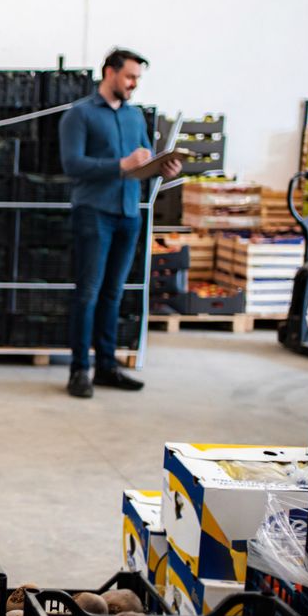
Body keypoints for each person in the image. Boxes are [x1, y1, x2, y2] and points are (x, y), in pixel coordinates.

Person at [60, 48, 180, 399]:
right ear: (109, 73)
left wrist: (163, 167)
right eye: (129, 77)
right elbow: (72, 165)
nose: (133, 85)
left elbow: (143, 160)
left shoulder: (134, 118)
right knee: (88, 293)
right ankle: (79, 370)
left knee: (113, 295)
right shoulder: (78, 116)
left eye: (137, 79)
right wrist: (120, 164)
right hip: (93, 213)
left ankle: (107, 367)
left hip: (129, 214)